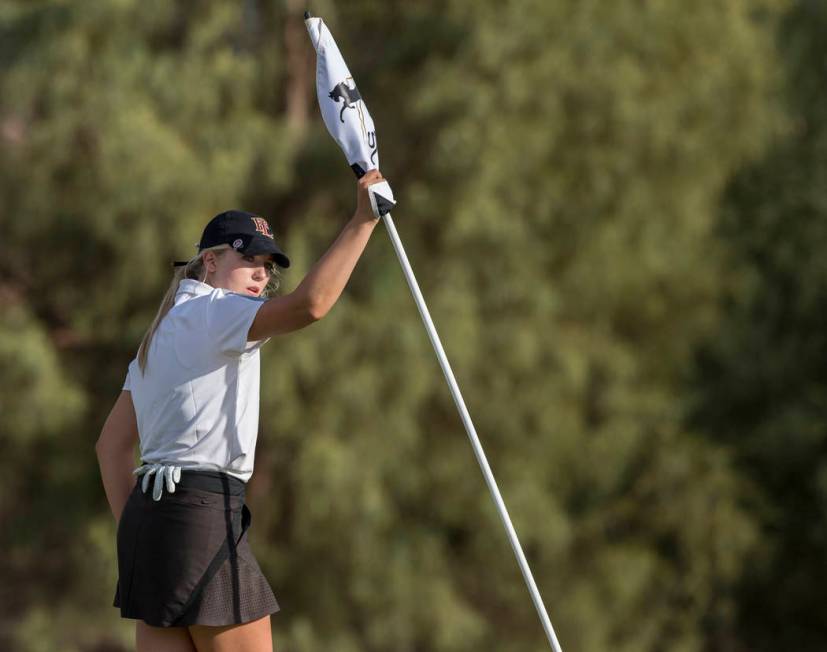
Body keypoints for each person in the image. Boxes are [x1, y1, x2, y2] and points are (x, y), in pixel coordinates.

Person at [95, 170, 386, 652]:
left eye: (268, 265)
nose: (261, 274)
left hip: (151, 527)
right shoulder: (213, 311)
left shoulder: (161, 334)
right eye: (248, 257)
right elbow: (310, 305)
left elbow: (110, 447)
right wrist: (362, 221)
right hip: (202, 516)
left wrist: (139, 537)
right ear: (209, 262)